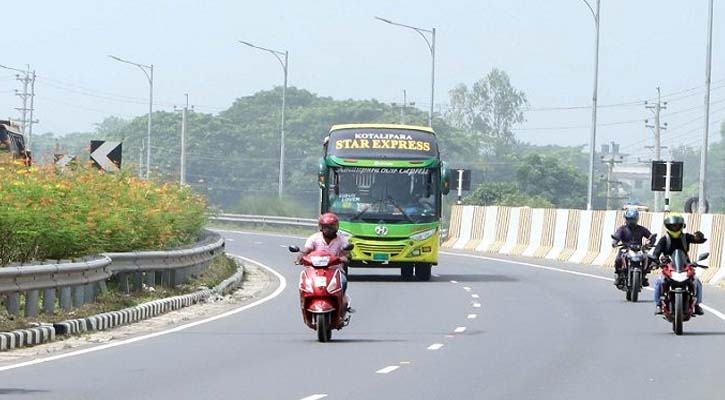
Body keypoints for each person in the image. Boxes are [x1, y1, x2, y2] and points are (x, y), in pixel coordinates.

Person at [651, 213, 707, 315]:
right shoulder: (664, 239)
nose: (675, 228)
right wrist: (654, 260)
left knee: (697, 282)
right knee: (659, 283)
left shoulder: (686, 237)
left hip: (685, 265)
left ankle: (697, 304)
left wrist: (699, 237)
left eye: (677, 225)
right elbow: (656, 252)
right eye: (672, 226)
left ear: (682, 226)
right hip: (669, 267)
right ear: (667, 226)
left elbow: (698, 240)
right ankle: (658, 305)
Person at [299, 212, 352, 303]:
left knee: (343, 282)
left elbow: (346, 253)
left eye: (330, 227)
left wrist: (345, 257)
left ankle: (342, 303)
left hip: (335, 270)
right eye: (325, 227)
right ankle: (304, 302)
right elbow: (306, 251)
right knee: (304, 284)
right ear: (321, 227)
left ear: (335, 227)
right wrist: (300, 257)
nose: (327, 229)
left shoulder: (342, 239)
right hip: (314, 271)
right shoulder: (314, 238)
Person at [611, 208, 655, 288]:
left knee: (648, 259)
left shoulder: (641, 229)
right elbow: (617, 236)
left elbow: (650, 236)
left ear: (637, 219)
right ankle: (618, 275)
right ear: (626, 219)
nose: (631, 221)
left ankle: (644, 276)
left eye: (633, 219)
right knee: (618, 259)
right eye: (629, 219)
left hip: (639, 250)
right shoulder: (622, 229)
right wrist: (615, 242)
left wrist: (651, 242)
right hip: (626, 249)